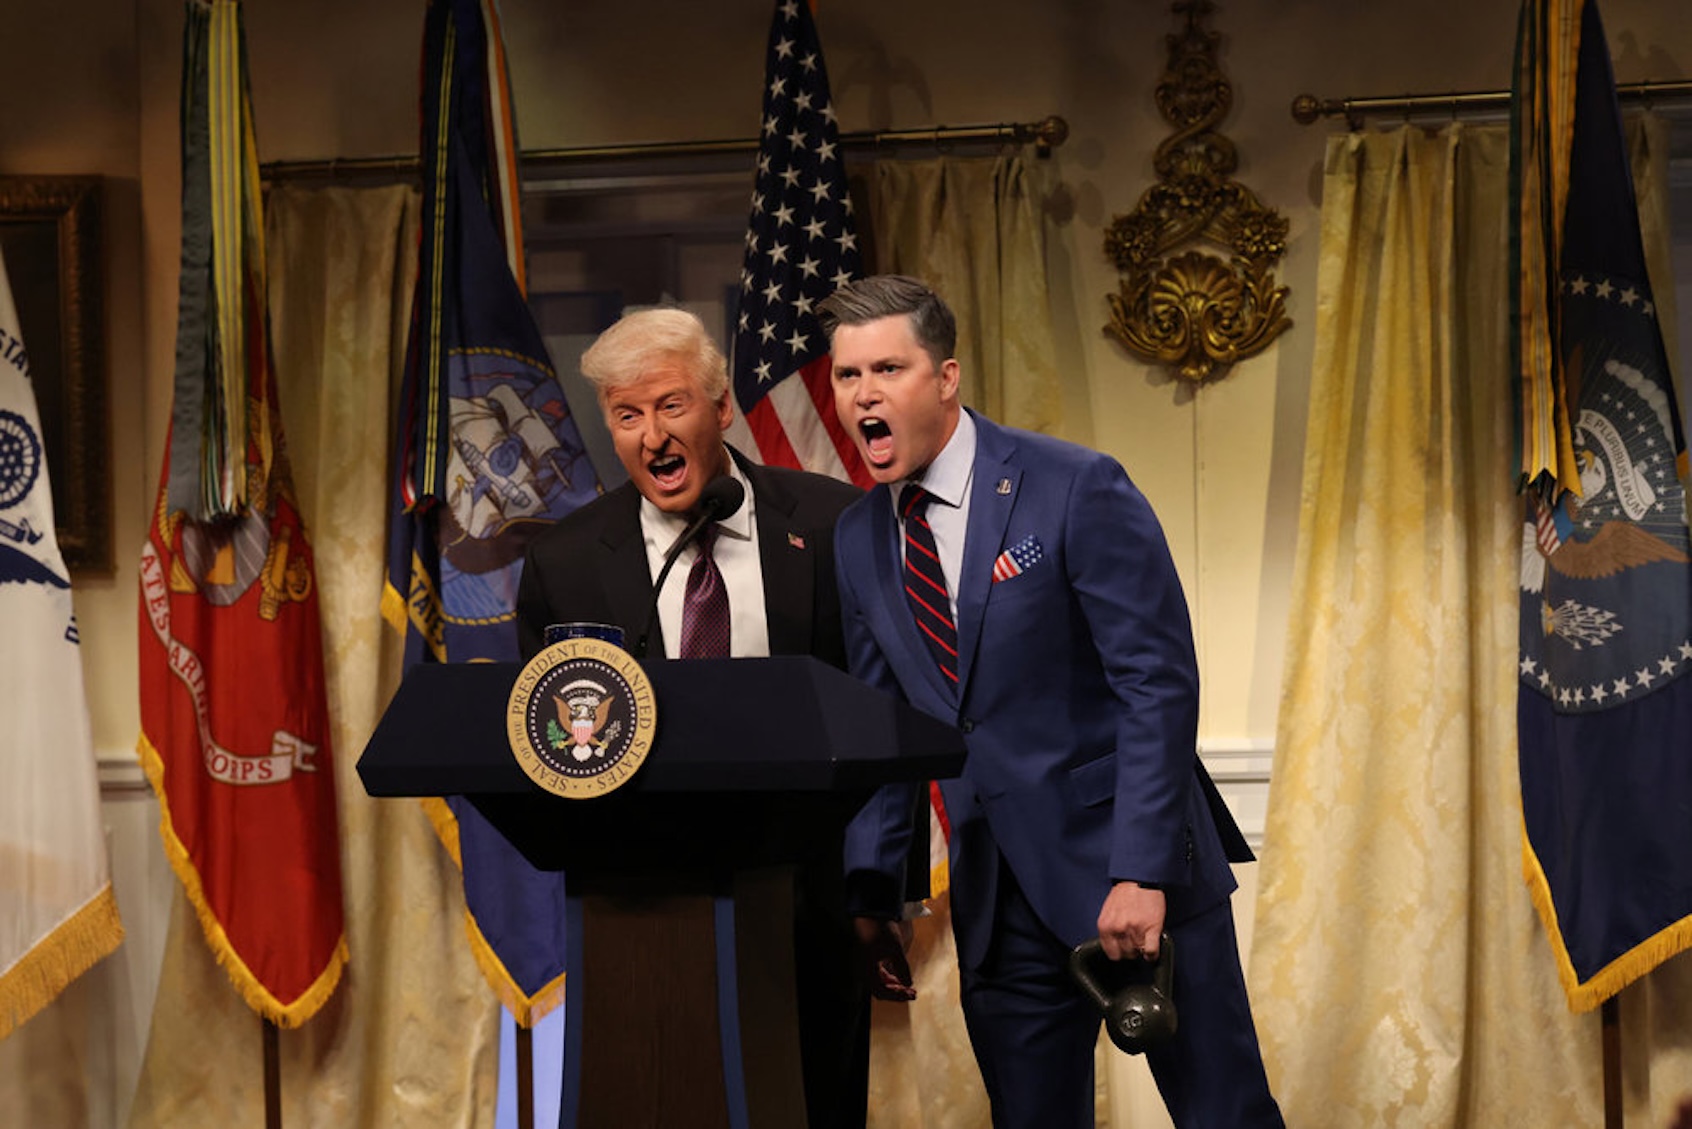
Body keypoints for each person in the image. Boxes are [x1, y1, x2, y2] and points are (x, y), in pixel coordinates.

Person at [818, 275, 1283, 1128]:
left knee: (1226, 1113)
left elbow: (1158, 683)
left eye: (889, 368)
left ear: (947, 376)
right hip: (997, 896)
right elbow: (890, 731)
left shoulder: (1073, 485)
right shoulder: (858, 539)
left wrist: (1139, 870)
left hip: (1133, 871)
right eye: (848, 376)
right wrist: (872, 890)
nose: (863, 395)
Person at [514, 307, 867, 1128]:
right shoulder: (566, 562)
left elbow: (880, 715)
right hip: (636, 914)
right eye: (626, 415)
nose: (649, 436)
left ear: (719, 406)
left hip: (807, 909)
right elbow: (544, 750)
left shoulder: (831, 523)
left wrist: (883, 888)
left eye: (669, 405)